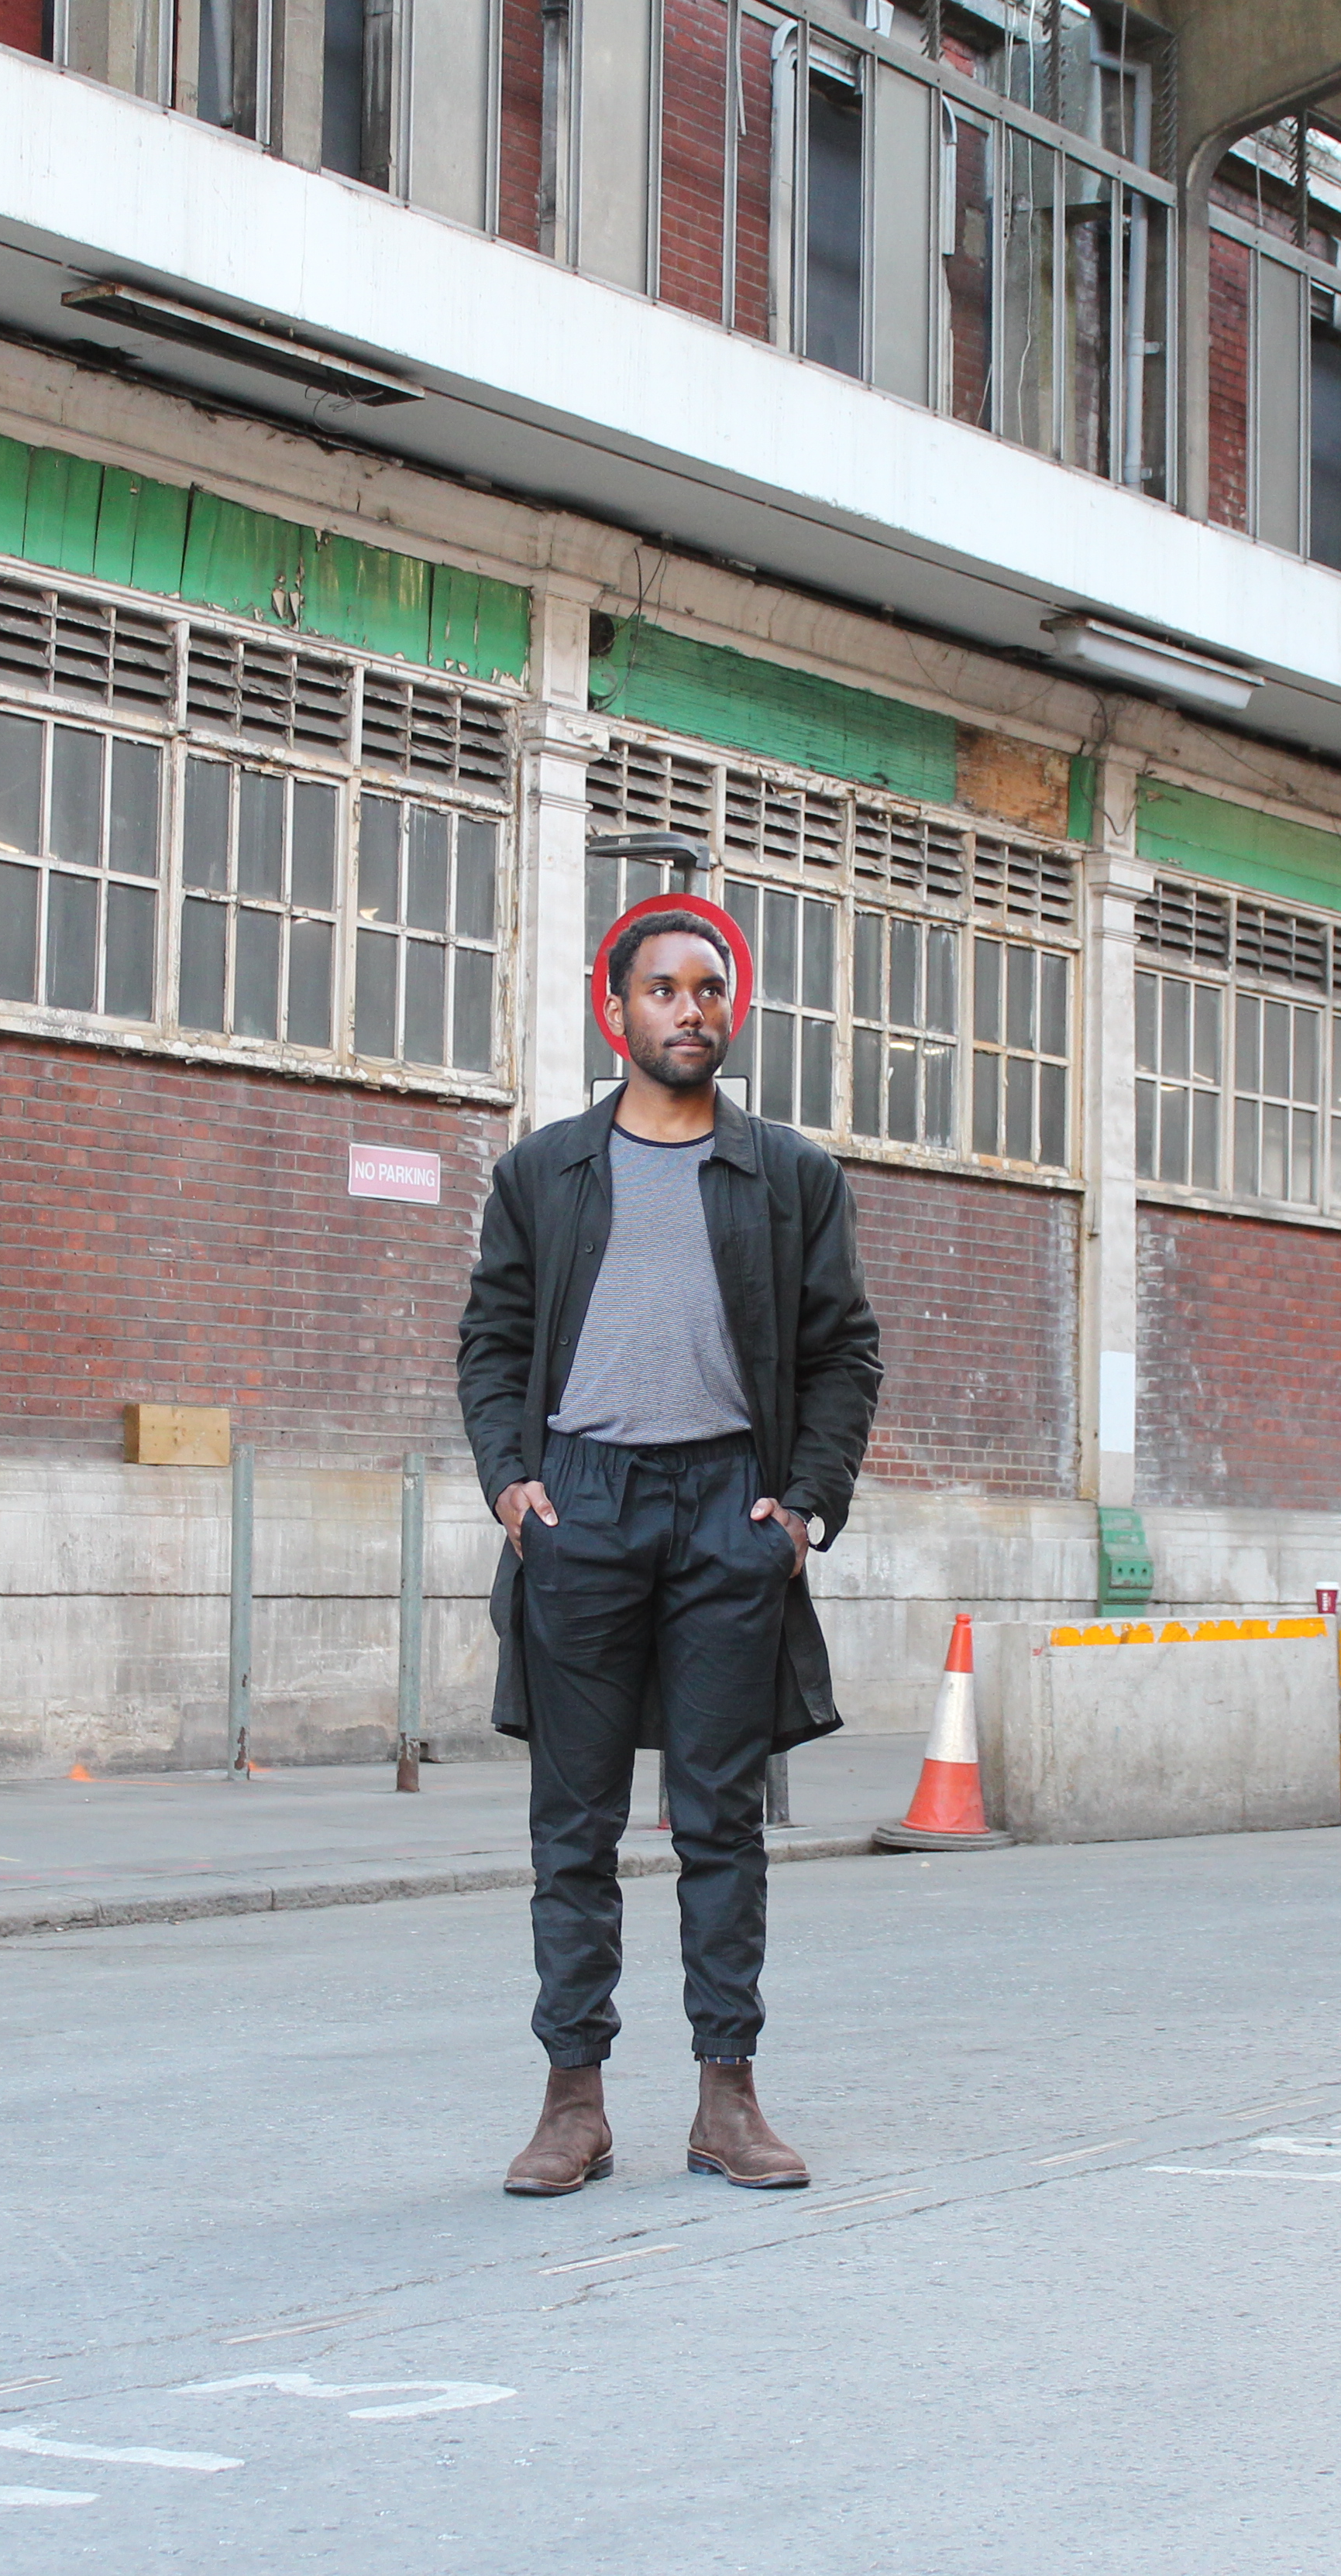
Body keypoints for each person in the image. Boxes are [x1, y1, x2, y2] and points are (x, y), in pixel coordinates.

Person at [455, 906, 883, 2197]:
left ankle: (728, 2099)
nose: (689, 1010)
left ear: (728, 1013)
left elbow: (842, 1350)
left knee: (720, 1826)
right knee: (572, 1830)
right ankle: (571, 2103)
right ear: (616, 1012)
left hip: (726, 1509)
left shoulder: (790, 1176)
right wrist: (512, 1490)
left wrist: (804, 1507)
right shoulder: (545, 1173)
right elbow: (492, 1338)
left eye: (710, 990)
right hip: (580, 1505)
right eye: (663, 990)